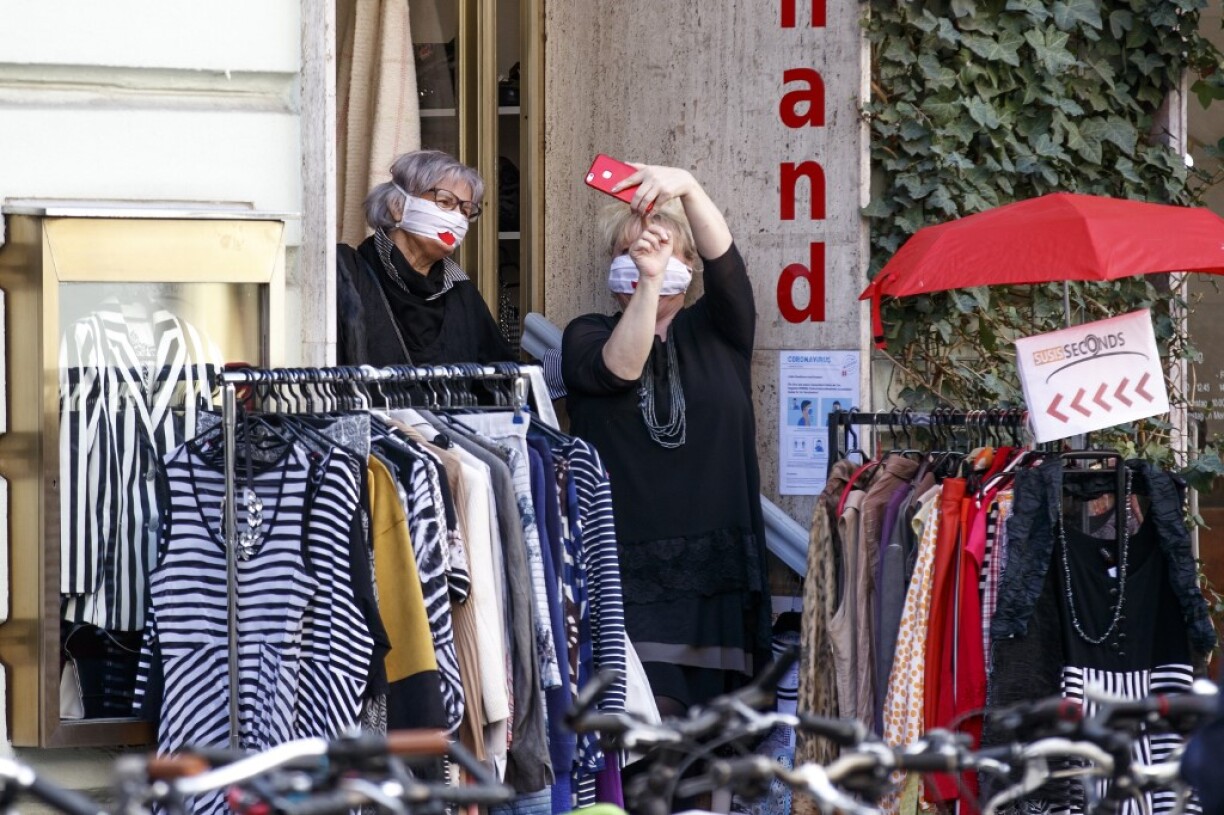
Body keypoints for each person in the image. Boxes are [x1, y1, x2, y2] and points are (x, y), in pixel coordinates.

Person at [561, 163, 771, 716]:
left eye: (660, 249)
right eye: (629, 251)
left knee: (717, 746)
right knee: (650, 733)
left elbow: (727, 264)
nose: (644, 257)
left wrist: (689, 186)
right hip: (627, 578)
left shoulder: (720, 330)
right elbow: (620, 370)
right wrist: (649, 284)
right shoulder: (586, 334)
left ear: (690, 265)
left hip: (717, 577)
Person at [336, 149, 513, 366]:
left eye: (466, 211)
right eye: (445, 202)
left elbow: (503, 374)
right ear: (398, 207)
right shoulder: (347, 273)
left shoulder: (460, 289)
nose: (457, 218)